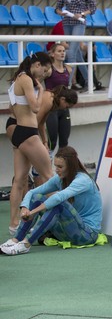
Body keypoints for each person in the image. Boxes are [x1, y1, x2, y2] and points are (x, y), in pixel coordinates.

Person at [1, 146, 102, 255]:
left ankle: (25, 244)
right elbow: (32, 193)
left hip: (87, 235)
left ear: (71, 166)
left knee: (59, 204)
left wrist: (32, 212)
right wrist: (24, 207)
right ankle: (16, 240)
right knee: (37, 198)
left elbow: (58, 198)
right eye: (55, 166)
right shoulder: (59, 178)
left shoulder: (83, 180)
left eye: (60, 167)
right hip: (66, 232)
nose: (56, 170)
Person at [7, 52, 54, 236]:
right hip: (28, 133)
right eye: (44, 69)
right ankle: (59, 218)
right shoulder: (27, 79)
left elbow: (13, 109)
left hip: (20, 132)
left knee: (19, 180)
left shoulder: (17, 79)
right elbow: (35, 108)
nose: (45, 73)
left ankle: (13, 224)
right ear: (36, 64)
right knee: (49, 176)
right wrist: (41, 90)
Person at [55, 0, 96, 91]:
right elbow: (57, 8)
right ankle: (89, 82)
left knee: (71, 53)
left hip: (79, 21)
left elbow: (93, 7)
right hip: (67, 22)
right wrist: (60, 13)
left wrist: (82, 14)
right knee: (77, 56)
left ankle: (67, 85)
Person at [45, 44, 74, 156]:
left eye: (64, 51)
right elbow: (36, 80)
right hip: (52, 108)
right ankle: (44, 166)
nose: (62, 53)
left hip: (64, 108)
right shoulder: (49, 70)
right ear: (53, 54)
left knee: (64, 141)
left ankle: (61, 166)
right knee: (52, 140)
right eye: (59, 51)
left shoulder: (68, 69)